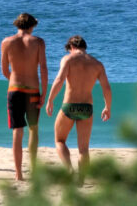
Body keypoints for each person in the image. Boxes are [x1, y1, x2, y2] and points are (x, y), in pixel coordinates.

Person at [44, 35, 111, 177]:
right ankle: (81, 178)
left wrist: (50, 100)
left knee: (59, 140)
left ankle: (69, 170)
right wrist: (107, 107)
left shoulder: (68, 59)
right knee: (84, 149)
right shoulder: (97, 64)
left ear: (71, 47)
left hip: (69, 106)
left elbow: (59, 80)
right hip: (86, 108)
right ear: (84, 47)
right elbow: (106, 88)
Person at [0, 12, 47, 181]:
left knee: (17, 131)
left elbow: (5, 70)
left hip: (14, 90)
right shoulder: (38, 42)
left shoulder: (6, 42)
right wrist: (44, 93)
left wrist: (14, 78)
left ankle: (18, 173)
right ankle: (33, 170)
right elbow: (43, 69)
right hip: (33, 91)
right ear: (32, 26)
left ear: (17, 25)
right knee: (33, 128)